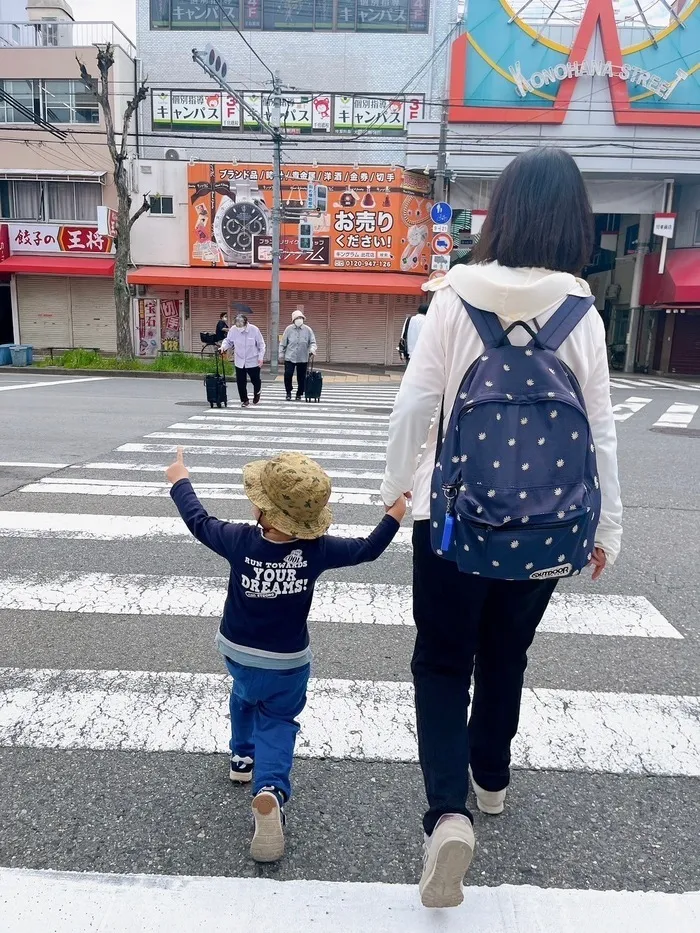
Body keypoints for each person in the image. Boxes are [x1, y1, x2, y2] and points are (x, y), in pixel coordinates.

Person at [380, 147, 622, 909]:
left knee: (443, 662)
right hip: (549, 528)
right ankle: (490, 778)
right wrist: (605, 524)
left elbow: (415, 406)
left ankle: (447, 812)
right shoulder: (582, 312)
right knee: (507, 651)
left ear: (503, 213)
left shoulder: (452, 298)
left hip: (450, 519)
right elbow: (602, 429)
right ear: (571, 220)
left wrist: (395, 492)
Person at [166, 446, 406, 863]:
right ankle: (270, 789)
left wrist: (180, 479)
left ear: (263, 511)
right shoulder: (319, 550)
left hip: (238, 651)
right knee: (277, 718)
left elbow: (198, 521)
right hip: (287, 661)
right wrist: (395, 515)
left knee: (244, 695)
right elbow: (367, 549)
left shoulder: (239, 540)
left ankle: (241, 756)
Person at [220, 309, 266, 408]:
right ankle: (244, 400)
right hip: (239, 360)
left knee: (255, 380)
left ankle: (257, 393)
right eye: (237, 325)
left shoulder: (254, 330)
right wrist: (223, 347)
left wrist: (261, 358)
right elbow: (228, 341)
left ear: (245, 323)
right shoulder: (233, 330)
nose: (239, 328)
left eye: (241, 325)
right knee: (241, 381)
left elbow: (261, 345)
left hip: (253, 360)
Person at [280, 308, 317, 401]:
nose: (299, 319)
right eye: (297, 318)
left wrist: (312, 350)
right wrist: (281, 354)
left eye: (300, 317)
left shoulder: (308, 330)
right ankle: (288, 392)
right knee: (288, 375)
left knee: (302, 377)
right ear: (293, 320)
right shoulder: (288, 329)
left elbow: (313, 342)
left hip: (303, 357)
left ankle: (299, 393)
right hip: (290, 357)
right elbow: (283, 343)